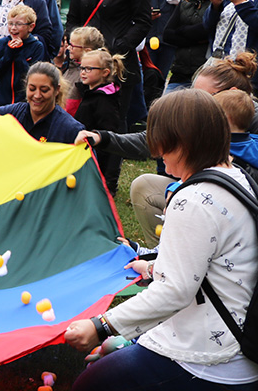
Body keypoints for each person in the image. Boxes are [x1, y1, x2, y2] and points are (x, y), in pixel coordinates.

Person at [65, 89, 258, 391]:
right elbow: (210, 264)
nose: (158, 157)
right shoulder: (236, 176)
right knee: (107, 367)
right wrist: (152, 263)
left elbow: (176, 291)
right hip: (241, 356)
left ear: (185, 143)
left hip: (209, 365)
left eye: (163, 146)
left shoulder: (193, 201)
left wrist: (101, 326)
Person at [79, 53, 258, 246]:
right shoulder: (202, 115)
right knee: (144, 185)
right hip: (199, 193)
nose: (195, 103)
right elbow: (153, 139)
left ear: (230, 92)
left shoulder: (249, 132)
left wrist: (184, 189)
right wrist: (102, 138)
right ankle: (161, 252)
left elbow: (236, 184)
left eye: (204, 97)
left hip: (236, 216)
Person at [64, 0, 150, 125]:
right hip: (83, 65)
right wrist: (78, 44)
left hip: (117, 65)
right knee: (79, 121)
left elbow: (143, 22)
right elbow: (73, 19)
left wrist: (118, 46)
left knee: (111, 125)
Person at [0, 62, 85, 143]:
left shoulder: (70, 129)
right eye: (32, 89)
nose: (37, 96)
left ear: (56, 90)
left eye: (44, 90)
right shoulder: (11, 114)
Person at [164, 0, 221, 94]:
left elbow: (208, 30)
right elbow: (167, 34)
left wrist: (182, 31)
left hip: (207, 74)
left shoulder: (223, 1)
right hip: (180, 71)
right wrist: (198, 37)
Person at [74, 48, 127, 193]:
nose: (83, 72)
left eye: (89, 69)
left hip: (97, 156)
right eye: (82, 67)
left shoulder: (105, 100)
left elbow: (109, 132)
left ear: (105, 73)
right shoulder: (91, 93)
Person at [0, 5, 46, 108]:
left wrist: (19, 53)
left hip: (24, 103)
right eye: (10, 24)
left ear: (31, 27)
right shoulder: (2, 43)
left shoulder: (37, 46)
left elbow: (31, 76)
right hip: (2, 101)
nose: (13, 28)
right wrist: (9, 52)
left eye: (18, 24)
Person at [147, 0, 181, 79]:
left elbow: (182, 17)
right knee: (148, 76)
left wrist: (179, 4)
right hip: (148, 41)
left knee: (162, 76)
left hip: (168, 43)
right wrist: (148, 17)